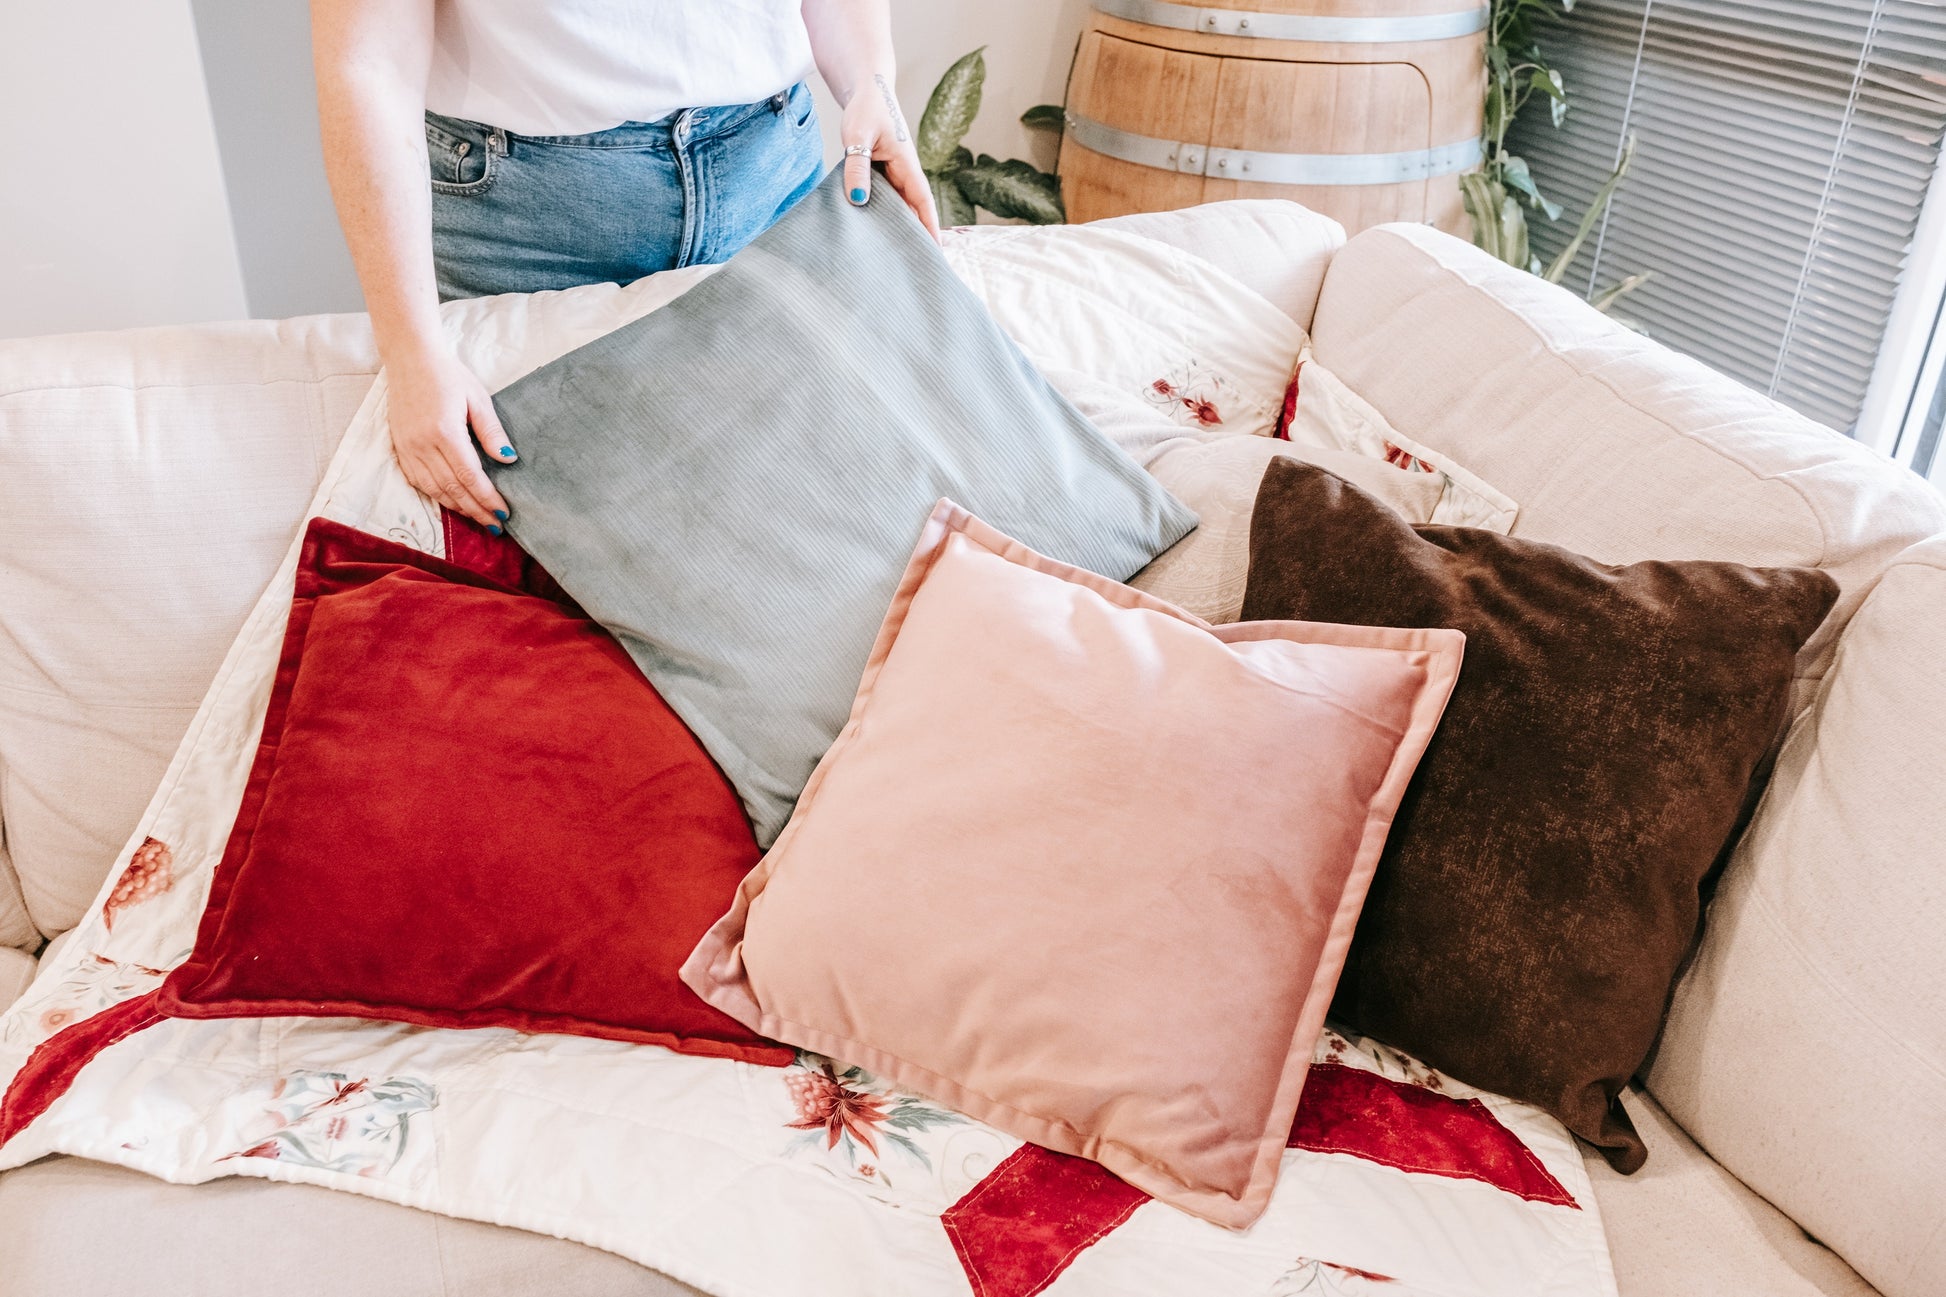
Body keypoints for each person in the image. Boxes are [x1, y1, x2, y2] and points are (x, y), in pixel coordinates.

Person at [312, 0, 938, 534]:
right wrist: (412, 350)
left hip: (771, 168)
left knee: (806, 510)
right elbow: (369, 64)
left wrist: (870, 86)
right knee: (556, 584)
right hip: (524, 222)